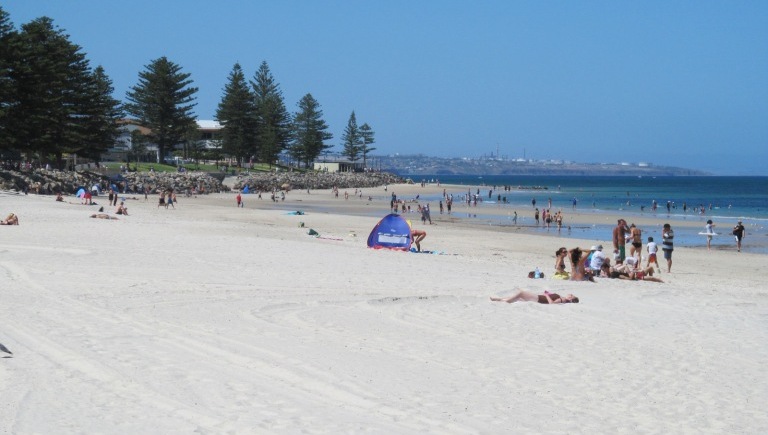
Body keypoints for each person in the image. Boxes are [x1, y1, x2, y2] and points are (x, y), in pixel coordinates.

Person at [491, 289, 579, 304]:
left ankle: (504, 301)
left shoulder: (562, 299)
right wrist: (548, 293)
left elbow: (551, 303)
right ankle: (499, 299)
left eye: (571, 295)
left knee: (521, 293)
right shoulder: (561, 297)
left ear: (570, 298)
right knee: (519, 297)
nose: (570, 294)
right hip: (539, 297)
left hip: (539, 299)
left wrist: (547, 295)